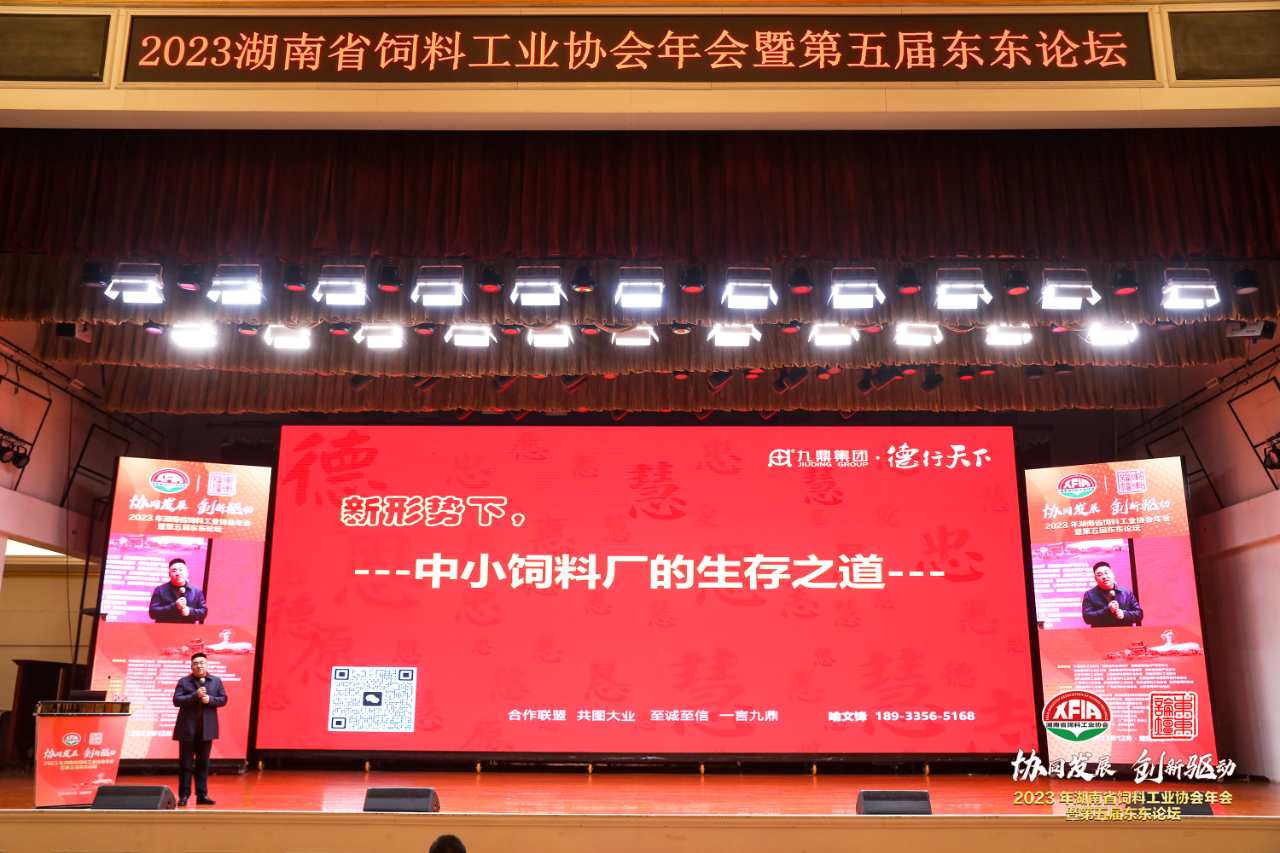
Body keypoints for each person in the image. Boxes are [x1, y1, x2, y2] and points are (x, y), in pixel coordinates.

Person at [172, 652, 226, 806]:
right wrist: (195, 695)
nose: (199, 666)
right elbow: (177, 701)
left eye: (202, 663)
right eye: (195, 663)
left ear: (207, 665)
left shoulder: (216, 681)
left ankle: (202, 795)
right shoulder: (184, 682)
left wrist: (210, 699)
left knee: (203, 764)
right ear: (191, 666)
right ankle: (184, 796)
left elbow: (223, 699)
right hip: (187, 731)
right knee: (185, 765)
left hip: (206, 732)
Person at [1081, 561, 1143, 627]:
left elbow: (1139, 614)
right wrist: (1108, 610)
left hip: (1125, 632)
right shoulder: (1090, 595)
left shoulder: (1126, 592)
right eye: (1099, 575)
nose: (1104, 577)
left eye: (1106, 573)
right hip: (1101, 633)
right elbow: (1087, 618)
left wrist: (1124, 614)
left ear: (1113, 574)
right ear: (1095, 579)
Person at [149, 558, 207, 623]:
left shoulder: (196, 591)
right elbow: (153, 613)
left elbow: (203, 612)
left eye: (181, 570)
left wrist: (190, 611)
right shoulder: (160, 590)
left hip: (188, 628)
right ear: (169, 574)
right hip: (165, 628)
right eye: (174, 571)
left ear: (187, 572)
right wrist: (175, 606)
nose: (178, 573)